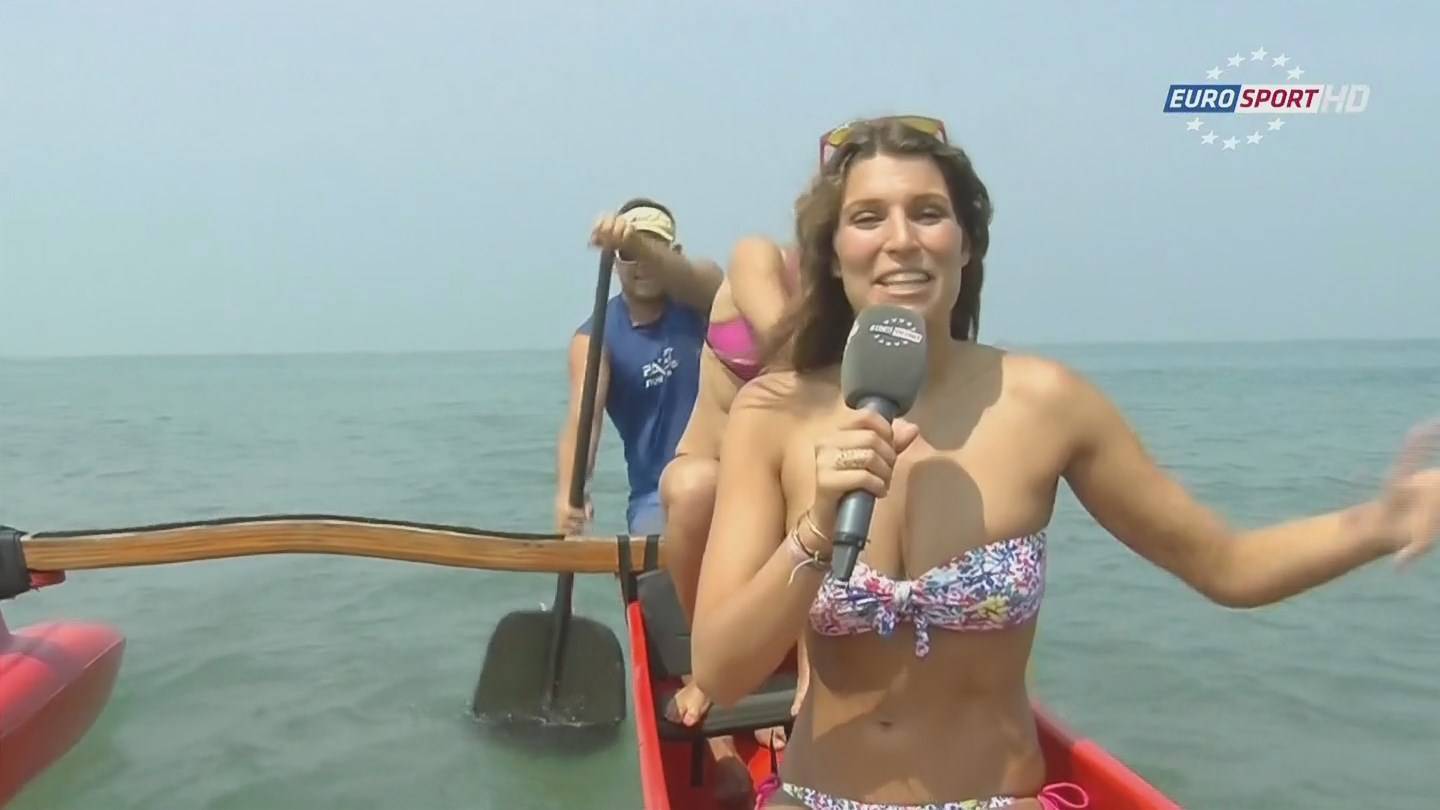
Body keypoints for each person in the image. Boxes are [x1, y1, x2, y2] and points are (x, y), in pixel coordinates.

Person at [688, 116, 1440, 810]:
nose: (901, 239)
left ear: (966, 242)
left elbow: (1228, 565)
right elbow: (722, 673)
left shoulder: (1046, 403)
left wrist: (1383, 522)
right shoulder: (773, 413)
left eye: (928, 212)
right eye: (867, 217)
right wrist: (816, 532)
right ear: (831, 251)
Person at [655, 235, 803, 802]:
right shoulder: (758, 257)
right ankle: (708, 675)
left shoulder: (868, 286)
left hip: (791, 486)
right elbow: (790, 346)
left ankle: (814, 676)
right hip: (713, 469)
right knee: (695, 489)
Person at [553, 198, 723, 537]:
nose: (641, 263)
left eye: (652, 249)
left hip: (732, 479)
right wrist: (570, 494)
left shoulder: (705, 301)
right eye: (629, 254)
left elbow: (697, 276)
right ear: (615, 263)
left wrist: (633, 242)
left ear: (675, 253)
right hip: (656, 497)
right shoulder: (594, 340)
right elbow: (584, 420)